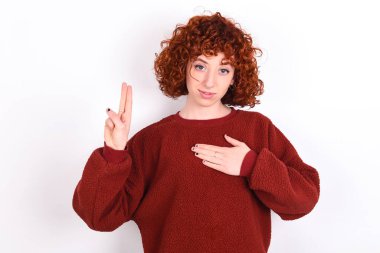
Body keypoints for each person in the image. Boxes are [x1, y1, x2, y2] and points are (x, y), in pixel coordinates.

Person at [72, 12, 320, 253]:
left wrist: (252, 166)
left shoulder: (256, 129)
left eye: (223, 70)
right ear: (184, 66)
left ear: (234, 76)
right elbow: (98, 216)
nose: (210, 82)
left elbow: (304, 199)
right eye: (200, 66)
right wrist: (113, 154)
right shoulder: (152, 141)